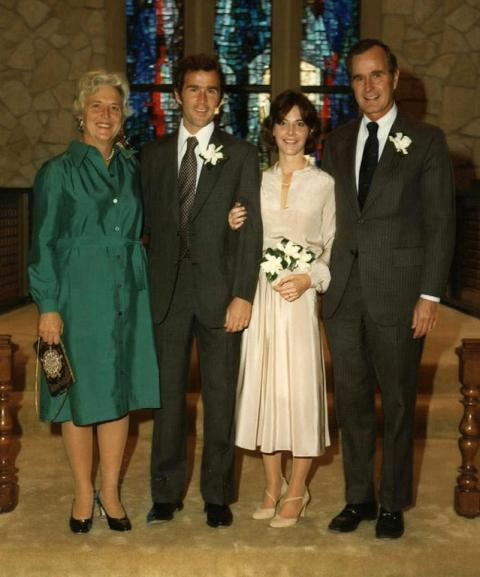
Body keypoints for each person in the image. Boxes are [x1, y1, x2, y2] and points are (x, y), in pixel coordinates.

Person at [321, 39, 456, 539]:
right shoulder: (335, 141)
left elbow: (442, 224)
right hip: (343, 293)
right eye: (358, 78)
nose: (369, 86)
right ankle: (359, 496)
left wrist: (430, 294)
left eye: (377, 75)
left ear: (395, 79)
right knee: (352, 400)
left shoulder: (426, 140)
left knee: (397, 402)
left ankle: (392, 502)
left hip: (400, 293)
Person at [28, 70, 160, 533]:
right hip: (77, 295)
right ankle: (83, 491)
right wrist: (47, 304)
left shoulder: (131, 167)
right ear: (80, 113)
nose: (106, 115)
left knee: (119, 392)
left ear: (123, 117)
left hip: (128, 288)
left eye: (114, 107)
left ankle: (111, 490)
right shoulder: (57, 172)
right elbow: (42, 243)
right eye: (97, 106)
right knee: (80, 392)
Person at [141, 54, 263, 528]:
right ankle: (166, 493)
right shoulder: (151, 156)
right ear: (177, 95)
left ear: (220, 100)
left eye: (211, 90)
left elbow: (251, 231)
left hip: (219, 294)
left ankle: (217, 494)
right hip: (166, 294)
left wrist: (243, 294)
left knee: (219, 396)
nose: (202, 98)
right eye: (194, 88)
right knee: (168, 398)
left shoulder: (242, 154)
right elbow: (142, 224)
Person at [229, 90, 335, 527]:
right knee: (265, 391)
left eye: (300, 123)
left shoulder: (325, 184)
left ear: (310, 131)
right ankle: (273, 484)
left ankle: (298, 489)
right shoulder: (255, 182)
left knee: (300, 392)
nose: (291, 131)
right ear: (271, 130)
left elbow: (333, 245)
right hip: (263, 296)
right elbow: (240, 242)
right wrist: (231, 221)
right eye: (283, 122)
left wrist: (311, 278)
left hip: (300, 299)